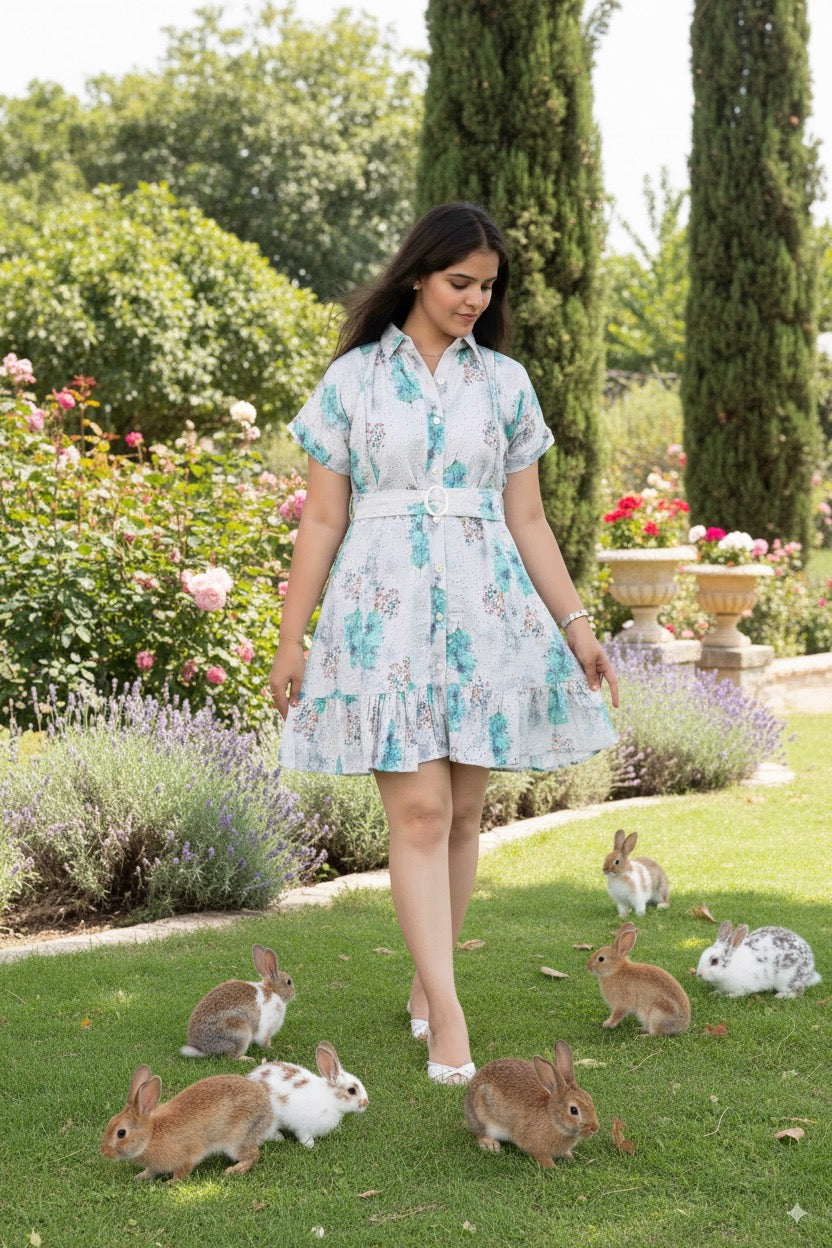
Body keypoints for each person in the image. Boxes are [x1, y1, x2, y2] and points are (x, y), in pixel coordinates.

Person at [269, 201, 618, 1086]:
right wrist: (291, 638)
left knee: (464, 814)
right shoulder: (351, 380)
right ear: (419, 274)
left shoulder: (505, 383)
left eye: (487, 287)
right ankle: (449, 1013)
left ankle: (432, 984)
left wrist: (578, 629)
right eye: (460, 282)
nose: (474, 299)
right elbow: (320, 515)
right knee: (419, 814)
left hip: (486, 615)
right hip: (379, 619)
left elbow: (528, 517)